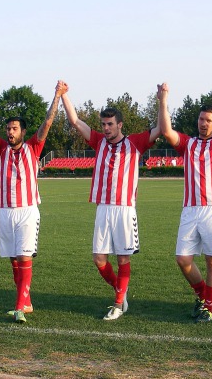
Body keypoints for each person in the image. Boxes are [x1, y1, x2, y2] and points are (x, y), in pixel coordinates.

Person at [0, 81, 64, 322]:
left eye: (15, 128)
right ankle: (25, 303)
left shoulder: (34, 147)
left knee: (24, 257)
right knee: (13, 260)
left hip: (27, 211)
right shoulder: (0, 149)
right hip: (5, 212)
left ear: (23, 131)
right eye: (8, 128)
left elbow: (48, 123)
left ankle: (19, 306)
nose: (10, 132)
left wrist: (57, 95)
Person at [60, 82, 160, 320]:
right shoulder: (98, 142)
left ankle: (117, 303)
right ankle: (120, 292)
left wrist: (161, 99)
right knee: (99, 259)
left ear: (120, 125)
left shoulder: (135, 142)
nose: (105, 128)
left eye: (110, 124)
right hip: (103, 208)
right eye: (103, 124)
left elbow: (160, 129)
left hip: (124, 209)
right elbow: (75, 121)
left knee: (123, 257)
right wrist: (64, 95)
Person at [157, 82, 212, 322]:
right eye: (201, 119)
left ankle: (209, 307)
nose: (203, 123)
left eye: (208, 120)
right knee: (183, 259)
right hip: (190, 209)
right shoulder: (188, 144)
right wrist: (163, 99)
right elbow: (166, 131)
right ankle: (202, 295)